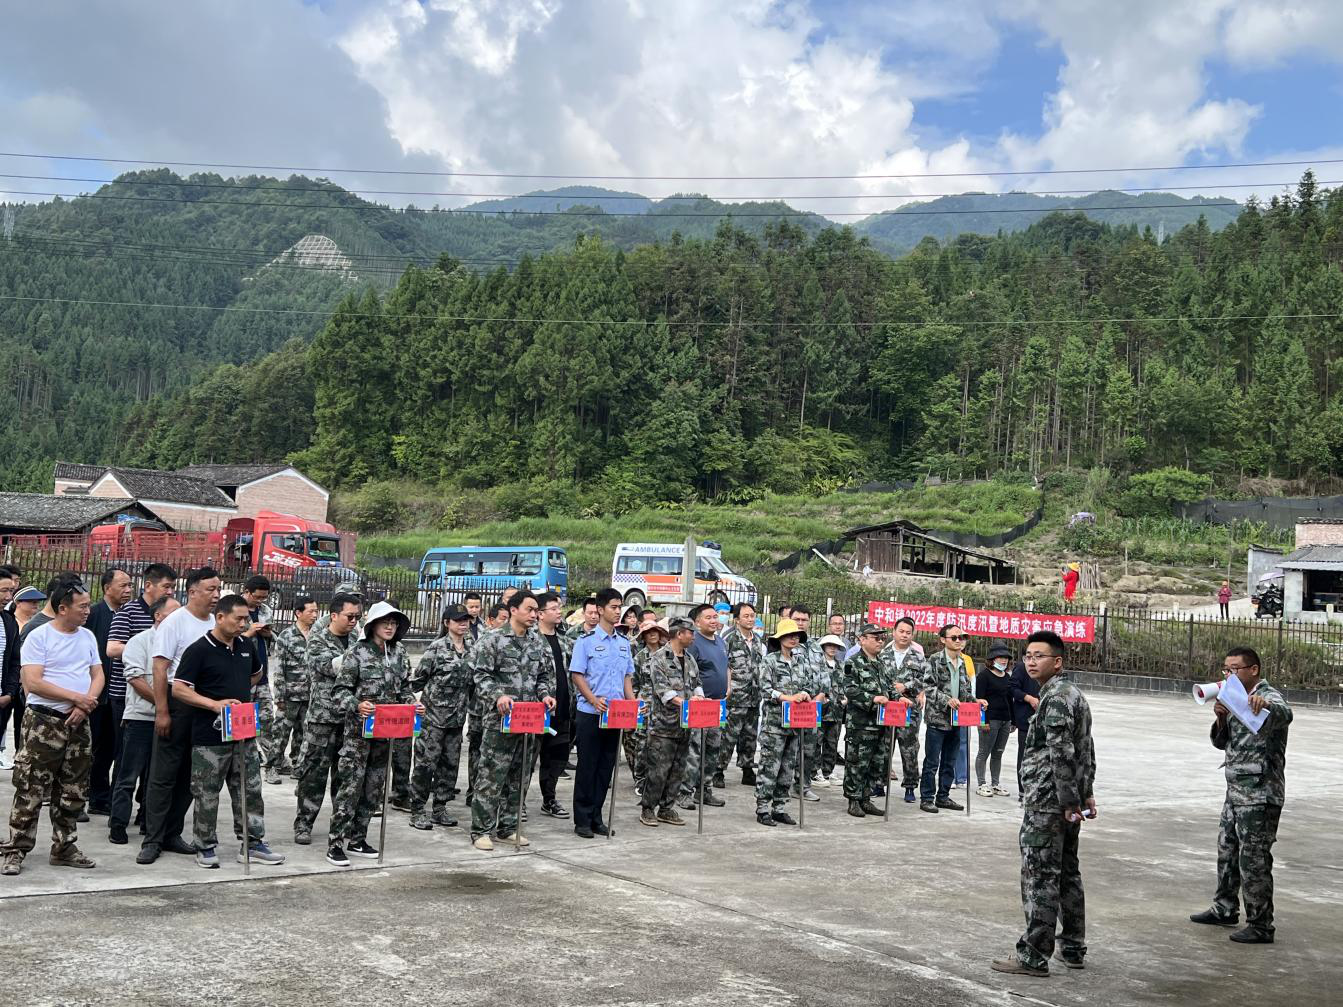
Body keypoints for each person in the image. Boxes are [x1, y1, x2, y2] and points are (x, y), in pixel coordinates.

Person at [992, 630, 1096, 978]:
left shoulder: (1055, 699)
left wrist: (1068, 800)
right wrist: (1085, 793)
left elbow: (1062, 752)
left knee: (1040, 878)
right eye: (1028, 656)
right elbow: (1086, 748)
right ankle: (1073, 946)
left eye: (1039, 656)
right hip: (1065, 801)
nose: (1031, 662)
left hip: (1049, 804)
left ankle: (1034, 955)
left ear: (1058, 662)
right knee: (1067, 873)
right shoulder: (1072, 694)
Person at [1189, 646, 1292, 944]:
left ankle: (1261, 924)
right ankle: (1224, 908)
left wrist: (1263, 704)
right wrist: (1221, 718)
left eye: (1235, 669)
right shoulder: (1232, 697)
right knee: (1227, 850)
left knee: (1254, 859)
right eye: (1226, 669)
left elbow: (1285, 714)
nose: (1228, 675)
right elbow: (1221, 743)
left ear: (1253, 670)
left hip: (1260, 793)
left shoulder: (1267, 696)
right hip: (1235, 791)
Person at [0, 578, 103, 875]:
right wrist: (77, 698)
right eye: (82, 606)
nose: (87, 611)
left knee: (73, 788)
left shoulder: (87, 637)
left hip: (79, 722)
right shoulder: (39, 636)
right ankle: (16, 848)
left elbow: (97, 674)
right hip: (44, 722)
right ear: (62, 609)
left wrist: (85, 704)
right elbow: (33, 682)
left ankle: (64, 847)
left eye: (88, 605)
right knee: (30, 786)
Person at [173, 594, 283, 869]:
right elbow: (180, 689)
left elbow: (256, 674)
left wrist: (239, 689)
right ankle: (205, 845)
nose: (244, 624)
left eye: (246, 619)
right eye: (239, 618)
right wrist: (214, 704)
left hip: (243, 730)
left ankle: (253, 842)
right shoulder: (199, 649)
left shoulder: (245, 645)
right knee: (207, 792)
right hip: (210, 735)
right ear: (220, 617)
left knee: (249, 788)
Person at [138, 566, 221, 865]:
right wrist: (162, 711)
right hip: (177, 703)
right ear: (193, 591)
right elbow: (160, 668)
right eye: (210, 589)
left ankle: (173, 834)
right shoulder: (175, 622)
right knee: (163, 775)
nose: (216, 595)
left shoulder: (216, 622)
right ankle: (153, 839)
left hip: (204, 704)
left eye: (218, 589)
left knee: (190, 775)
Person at [326, 601, 418, 867]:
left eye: (394, 623)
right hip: (358, 736)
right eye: (385, 622)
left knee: (373, 789)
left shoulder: (399, 653)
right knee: (350, 789)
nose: (390, 627)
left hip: (385, 735)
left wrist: (412, 703)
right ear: (373, 625)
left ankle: (358, 839)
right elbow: (339, 692)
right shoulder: (357, 653)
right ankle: (335, 843)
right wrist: (357, 705)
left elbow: (404, 689)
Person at [469, 590, 555, 851]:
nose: (534, 615)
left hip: (529, 720)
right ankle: (481, 830)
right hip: (500, 720)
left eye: (536, 610)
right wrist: (498, 695)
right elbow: (481, 675)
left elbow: (544, 676)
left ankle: (508, 827)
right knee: (491, 775)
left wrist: (545, 695)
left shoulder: (537, 642)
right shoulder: (493, 639)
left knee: (520, 776)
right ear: (513, 610)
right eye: (529, 609)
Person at [292, 593, 362, 846]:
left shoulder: (355, 639)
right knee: (313, 775)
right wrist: (360, 654)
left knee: (345, 777)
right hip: (323, 718)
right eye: (349, 616)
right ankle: (304, 823)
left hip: (349, 718)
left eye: (357, 617)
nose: (354, 621)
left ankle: (342, 824)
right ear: (333, 615)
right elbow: (329, 667)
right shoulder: (318, 639)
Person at [109, 596, 179, 845]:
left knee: (156, 777)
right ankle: (118, 823)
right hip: (141, 717)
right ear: (158, 616)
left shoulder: (179, 643)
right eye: (173, 613)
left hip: (169, 718)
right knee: (128, 775)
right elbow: (135, 679)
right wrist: (164, 705)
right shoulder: (139, 641)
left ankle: (148, 822)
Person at [104, 562, 176, 799]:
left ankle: (146, 806)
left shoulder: (173, 615)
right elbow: (112, 648)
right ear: (148, 586)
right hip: (126, 695)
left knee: (153, 759)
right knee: (126, 757)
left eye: (173, 587)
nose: (170, 592)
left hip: (160, 696)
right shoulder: (128, 611)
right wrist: (144, 649)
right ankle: (115, 804)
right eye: (166, 586)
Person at [569, 588, 635, 839]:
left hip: (615, 714)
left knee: (606, 767)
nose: (618, 611)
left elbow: (627, 677)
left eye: (620, 607)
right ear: (600, 609)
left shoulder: (623, 643)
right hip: (590, 712)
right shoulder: (586, 642)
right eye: (614, 607)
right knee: (588, 766)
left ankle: (596, 816)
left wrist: (632, 702)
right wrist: (593, 699)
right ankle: (582, 819)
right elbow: (577, 674)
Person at [409, 605, 475, 831]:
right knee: (425, 765)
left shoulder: (472, 649)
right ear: (447, 623)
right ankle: (417, 808)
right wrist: (413, 703)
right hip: (433, 720)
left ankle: (440, 807)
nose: (463, 623)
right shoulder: (436, 649)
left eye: (466, 619)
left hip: (457, 719)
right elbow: (416, 682)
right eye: (458, 620)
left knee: (450, 765)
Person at [754, 618, 814, 828]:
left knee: (788, 768)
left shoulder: (801, 661)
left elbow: (809, 684)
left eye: (796, 636)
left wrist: (805, 694)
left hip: (795, 724)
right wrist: (786, 698)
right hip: (774, 724)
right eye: (788, 635)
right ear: (779, 639)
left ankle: (779, 807)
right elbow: (764, 689)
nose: (793, 639)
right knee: (770, 767)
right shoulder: (770, 661)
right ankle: (763, 808)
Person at [640, 618, 700, 827]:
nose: (693, 637)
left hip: (684, 725)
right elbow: (663, 691)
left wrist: (700, 698)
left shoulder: (690, 659)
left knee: (677, 770)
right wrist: (686, 703)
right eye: (690, 633)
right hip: (663, 726)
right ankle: (648, 808)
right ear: (679, 634)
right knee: (658, 770)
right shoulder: (659, 658)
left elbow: (697, 683)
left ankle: (666, 808)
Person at [919, 623, 983, 814]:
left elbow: (965, 691)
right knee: (932, 762)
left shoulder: (964, 662)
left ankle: (943, 796)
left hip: (957, 720)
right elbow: (928, 688)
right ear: (943, 640)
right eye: (954, 637)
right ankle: (927, 798)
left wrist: (976, 701)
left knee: (950, 761)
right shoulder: (934, 660)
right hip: (937, 719)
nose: (958, 641)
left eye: (961, 637)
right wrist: (947, 700)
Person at [84, 566, 132, 817]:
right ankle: (94, 795)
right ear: (106, 588)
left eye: (130, 585)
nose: (128, 590)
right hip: (96, 693)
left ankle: (106, 798)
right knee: (95, 747)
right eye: (123, 585)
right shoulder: (93, 614)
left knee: (115, 747)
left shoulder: (130, 614)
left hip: (120, 693)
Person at [842, 624, 900, 818]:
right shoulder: (852, 662)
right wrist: (873, 699)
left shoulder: (881, 663)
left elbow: (889, 688)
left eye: (882, 638)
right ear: (862, 639)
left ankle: (866, 798)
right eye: (876, 638)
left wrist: (900, 699)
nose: (880, 641)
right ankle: (853, 800)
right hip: (861, 724)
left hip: (881, 724)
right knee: (857, 763)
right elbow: (850, 690)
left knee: (876, 764)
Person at [677, 604, 728, 811]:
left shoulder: (721, 642)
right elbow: (687, 673)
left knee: (713, 750)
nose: (714, 620)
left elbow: (726, 667)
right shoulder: (694, 643)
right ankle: (684, 792)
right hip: (698, 706)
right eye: (708, 617)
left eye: (715, 617)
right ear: (697, 622)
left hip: (717, 705)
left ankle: (704, 790)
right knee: (694, 751)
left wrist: (728, 687)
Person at [267, 596, 318, 780]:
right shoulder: (286, 636)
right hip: (289, 695)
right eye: (311, 611)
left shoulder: (318, 635)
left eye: (316, 611)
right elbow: (279, 668)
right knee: (280, 733)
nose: (315, 615)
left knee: (303, 734)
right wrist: (279, 696)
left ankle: (297, 764)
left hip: (310, 695)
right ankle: (273, 766)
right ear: (298, 613)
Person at [534, 592, 574, 821]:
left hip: (562, 708)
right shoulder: (530, 640)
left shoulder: (565, 640)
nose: (559, 612)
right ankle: (516, 802)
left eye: (559, 608)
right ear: (540, 614)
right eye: (554, 608)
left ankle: (549, 798)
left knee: (556, 757)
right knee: (528, 759)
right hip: (537, 711)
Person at [883, 617, 928, 804]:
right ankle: (879, 783)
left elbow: (926, 680)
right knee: (884, 746)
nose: (904, 635)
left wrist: (906, 686)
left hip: (910, 708)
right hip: (887, 707)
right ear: (894, 632)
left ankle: (910, 786)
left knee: (909, 748)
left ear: (912, 635)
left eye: (908, 632)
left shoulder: (918, 657)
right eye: (901, 631)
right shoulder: (883, 654)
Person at [719, 602, 763, 787]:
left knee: (749, 736)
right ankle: (718, 770)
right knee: (728, 735)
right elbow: (724, 666)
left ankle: (747, 768)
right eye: (746, 616)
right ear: (737, 619)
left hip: (753, 695)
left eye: (752, 615)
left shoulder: (758, 640)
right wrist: (727, 688)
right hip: (735, 697)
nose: (750, 619)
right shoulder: (729, 639)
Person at [240, 576, 278, 781]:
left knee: (267, 721)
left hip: (261, 674)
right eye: (257, 597)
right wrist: (249, 632)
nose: (260, 601)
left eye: (264, 597)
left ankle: (271, 764)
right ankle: (244, 764)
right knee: (243, 723)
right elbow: (226, 639)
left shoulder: (265, 611)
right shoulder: (234, 609)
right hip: (241, 677)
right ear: (246, 592)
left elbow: (273, 637)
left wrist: (267, 633)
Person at [627, 614, 667, 790]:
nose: (652, 634)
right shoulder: (639, 658)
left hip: (665, 706)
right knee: (642, 743)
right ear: (643, 636)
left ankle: (658, 779)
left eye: (655, 631)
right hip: (645, 706)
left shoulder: (668, 654)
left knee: (663, 744)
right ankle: (641, 779)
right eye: (648, 632)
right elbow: (632, 683)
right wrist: (636, 701)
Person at [975, 641, 1015, 798]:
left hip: (1005, 720)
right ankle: (981, 783)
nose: (1004, 660)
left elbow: (1010, 700)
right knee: (984, 752)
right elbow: (979, 700)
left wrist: (1013, 721)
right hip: (990, 720)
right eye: (1000, 657)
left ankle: (995, 783)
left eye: (1006, 657)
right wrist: (983, 721)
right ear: (992, 659)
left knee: (998, 753)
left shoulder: (1007, 677)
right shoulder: (984, 676)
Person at [813, 633, 845, 789]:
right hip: (820, 710)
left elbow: (847, 684)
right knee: (816, 741)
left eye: (835, 646)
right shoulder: (817, 665)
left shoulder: (841, 666)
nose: (832, 648)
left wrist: (845, 699)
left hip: (836, 710)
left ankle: (828, 771)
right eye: (829, 645)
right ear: (823, 647)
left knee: (832, 743)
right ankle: (814, 772)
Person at [1009, 648, 1040, 803]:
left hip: (1044, 719)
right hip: (1026, 719)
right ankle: (1023, 791)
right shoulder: (1021, 668)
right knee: (1025, 755)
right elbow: (1012, 689)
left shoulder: (1046, 668)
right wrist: (1029, 698)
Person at [0, 567, 21, 770]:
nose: (8, 597)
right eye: (4, 591)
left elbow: (15, 661)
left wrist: (9, 693)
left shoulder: (8, 622)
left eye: (11, 591)